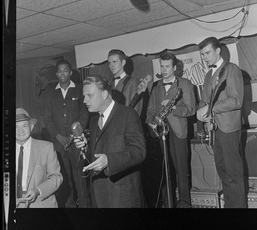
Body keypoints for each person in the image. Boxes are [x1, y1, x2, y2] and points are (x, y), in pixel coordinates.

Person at [73, 75, 146, 208]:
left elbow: (139, 151)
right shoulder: (94, 120)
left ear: (105, 94)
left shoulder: (128, 114)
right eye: (84, 96)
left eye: (90, 95)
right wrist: (85, 147)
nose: (85, 100)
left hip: (122, 196)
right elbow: (97, 155)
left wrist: (109, 161)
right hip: (99, 195)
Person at [196, 37, 247, 208]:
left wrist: (210, 109)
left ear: (218, 51)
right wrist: (201, 112)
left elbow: (236, 100)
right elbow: (204, 101)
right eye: (202, 54)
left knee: (234, 174)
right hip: (214, 130)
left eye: (207, 53)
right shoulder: (208, 75)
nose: (204, 57)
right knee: (223, 173)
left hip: (229, 129)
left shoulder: (232, 69)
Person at [146, 51, 196, 208]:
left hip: (179, 132)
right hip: (161, 132)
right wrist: (152, 122)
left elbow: (191, 109)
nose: (164, 69)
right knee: (166, 169)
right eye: (162, 66)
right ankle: (169, 203)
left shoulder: (185, 84)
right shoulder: (156, 87)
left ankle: (184, 204)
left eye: (167, 66)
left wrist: (173, 107)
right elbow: (150, 111)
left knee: (181, 170)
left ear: (175, 67)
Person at [44, 59, 90, 208]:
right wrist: (59, 137)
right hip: (58, 144)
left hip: (76, 141)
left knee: (80, 178)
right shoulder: (50, 93)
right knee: (64, 179)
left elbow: (84, 115)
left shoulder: (80, 89)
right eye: (59, 71)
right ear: (56, 73)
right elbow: (47, 118)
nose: (62, 74)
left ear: (70, 72)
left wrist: (71, 136)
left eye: (65, 71)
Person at [16, 108, 62, 208]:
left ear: (31, 127)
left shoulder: (47, 147)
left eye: (24, 126)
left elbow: (57, 177)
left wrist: (37, 190)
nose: (20, 131)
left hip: (41, 203)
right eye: (16, 127)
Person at [108, 49, 143, 115]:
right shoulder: (109, 84)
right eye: (109, 63)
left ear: (123, 62)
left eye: (114, 62)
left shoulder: (133, 82)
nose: (111, 65)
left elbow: (136, 110)